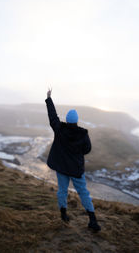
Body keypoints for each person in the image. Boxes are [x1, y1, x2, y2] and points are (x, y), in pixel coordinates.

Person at [45, 88, 101, 232]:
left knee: (62, 191)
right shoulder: (82, 134)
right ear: (76, 121)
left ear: (67, 120)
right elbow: (87, 149)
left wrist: (49, 98)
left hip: (62, 168)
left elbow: (52, 116)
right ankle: (93, 220)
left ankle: (63, 215)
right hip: (76, 169)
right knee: (83, 192)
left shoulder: (59, 129)